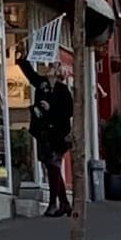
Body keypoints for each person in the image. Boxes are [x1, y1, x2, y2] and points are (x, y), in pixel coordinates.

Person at [30, 64, 75, 216]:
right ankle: (64, 203)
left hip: (58, 135)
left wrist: (51, 108)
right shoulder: (43, 86)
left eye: (51, 68)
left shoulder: (63, 90)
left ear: (56, 73)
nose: (48, 70)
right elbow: (32, 76)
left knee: (54, 167)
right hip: (44, 134)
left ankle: (53, 203)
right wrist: (21, 60)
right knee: (51, 168)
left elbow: (68, 111)